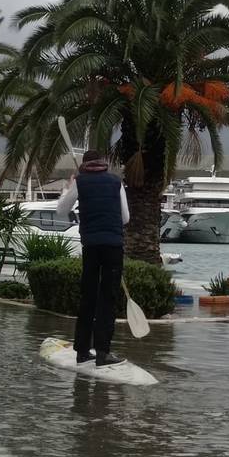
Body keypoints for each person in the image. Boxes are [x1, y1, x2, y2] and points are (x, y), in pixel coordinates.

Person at [55, 149, 130, 366]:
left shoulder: (80, 182)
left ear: (84, 165)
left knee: (88, 297)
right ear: (104, 163)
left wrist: (69, 187)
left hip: (91, 246)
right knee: (108, 299)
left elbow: (61, 210)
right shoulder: (116, 182)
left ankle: (82, 352)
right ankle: (103, 353)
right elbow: (125, 218)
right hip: (114, 246)